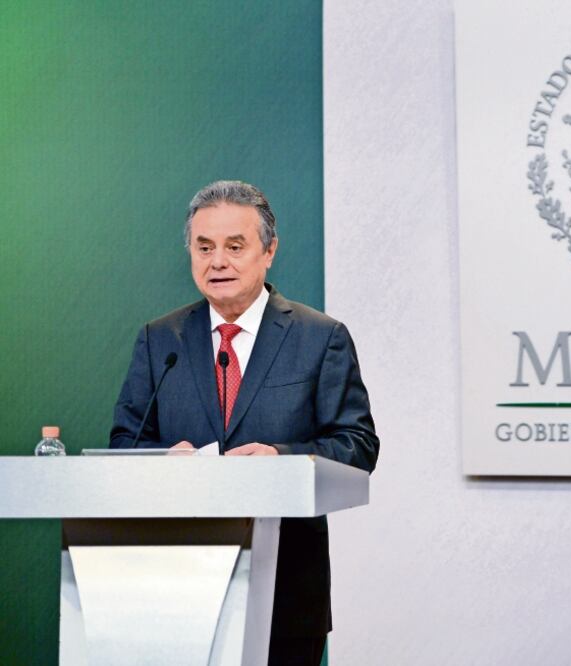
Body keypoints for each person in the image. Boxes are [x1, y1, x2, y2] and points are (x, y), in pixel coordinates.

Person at [110, 180, 379, 664]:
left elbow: (357, 445)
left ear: (268, 251)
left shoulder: (320, 338)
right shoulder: (159, 339)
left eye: (236, 247)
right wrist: (161, 459)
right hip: (178, 584)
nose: (218, 262)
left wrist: (281, 458)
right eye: (204, 247)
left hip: (287, 588)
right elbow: (126, 441)